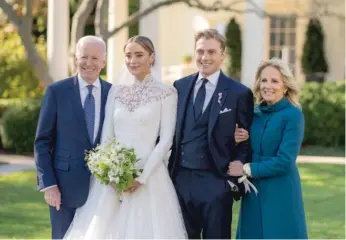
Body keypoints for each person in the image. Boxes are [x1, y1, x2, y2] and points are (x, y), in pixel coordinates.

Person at [63, 35, 187, 239]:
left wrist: (142, 178)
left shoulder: (167, 93)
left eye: (139, 55)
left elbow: (166, 140)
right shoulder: (116, 92)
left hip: (149, 178)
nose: (133, 61)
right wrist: (109, 174)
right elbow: (106, 136)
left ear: (152, 57)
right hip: (112, 181)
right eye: (128, 55)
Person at [168, 29, 254, 239]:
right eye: (200, 51)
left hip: (216, 180)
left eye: (211, 52)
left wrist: (234, 174)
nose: (205, 57)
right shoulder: (180, 86)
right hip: (180, 179)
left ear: (222, 55)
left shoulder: (239, 93)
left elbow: (246, 141)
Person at [34, 36, 112, 239]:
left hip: (103, 190)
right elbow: (42, 142)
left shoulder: (114, 94)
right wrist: (49, 185)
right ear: (75, 58)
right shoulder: (56, 92)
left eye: (95, 58)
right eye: (84, 56)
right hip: (64, 188)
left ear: (103, 62)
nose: (89, 63)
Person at [229, 58, 308, 239]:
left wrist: (247, 168)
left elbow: (285, 161)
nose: (268, 86)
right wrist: (236, 140)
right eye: (264, 80)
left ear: (285, 86)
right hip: (253, 191)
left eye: (274, 81)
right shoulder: (253, 113)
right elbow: (246, 148)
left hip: (280, 190)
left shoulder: (293, 115)